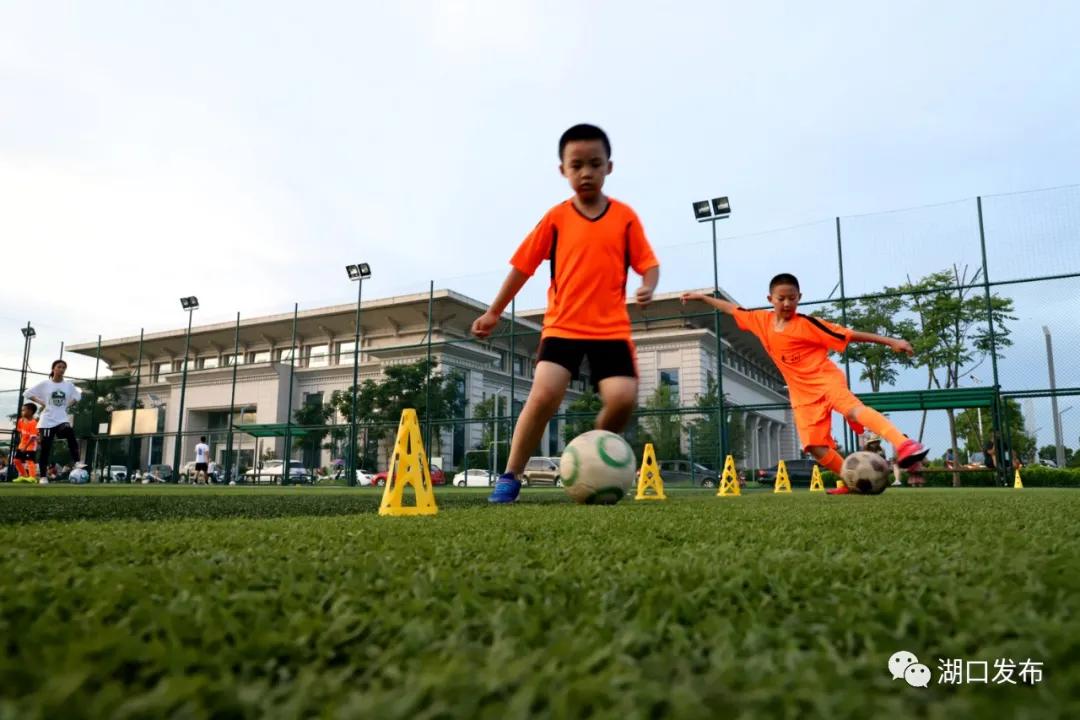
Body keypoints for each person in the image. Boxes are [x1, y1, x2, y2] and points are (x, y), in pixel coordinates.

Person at [472, 124, 660, 503]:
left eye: (595, 163)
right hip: (563, 327)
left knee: (623, 397)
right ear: (563, 170)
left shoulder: (625, 218)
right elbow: (522, 267)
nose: (586, 172)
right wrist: (493, 312)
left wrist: (648, 285)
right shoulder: (556, 218)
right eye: (577, 165)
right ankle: (510, 475)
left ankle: (593, 454)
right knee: (544, 394)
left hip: (610, 331)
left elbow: (649, 264)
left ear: (609, 167)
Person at [682, 274, 929, 494]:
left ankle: (904, 443)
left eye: (792, 298)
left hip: (825, 380)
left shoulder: (808, 324)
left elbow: (849, 334)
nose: (787, 303)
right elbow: (731, 308)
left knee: (852, 409)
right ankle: (851, 481)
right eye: (781, 298)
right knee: (814, 447)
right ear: (770, 299)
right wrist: (703, 298)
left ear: (799, 297)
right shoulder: (760, 320)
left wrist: (892, 341)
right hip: (801, 394)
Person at [26, 360, 82, 472]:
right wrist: (42, 402)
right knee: (46, 448)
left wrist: (68, 405)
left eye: (64, 367)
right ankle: (43, 476)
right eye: (59, 367)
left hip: (61, 420)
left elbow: (78, 396)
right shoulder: (45, 384)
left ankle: (77, 461)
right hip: (47, 421)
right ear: (53, 369)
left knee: (69, 431)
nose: (61, 369)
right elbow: (27, 393)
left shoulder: (68, 385)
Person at [13, 403, 40, 483]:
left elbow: (33, 437)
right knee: (16, 460)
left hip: (31, 445)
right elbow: (20, 432)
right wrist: (21, 444)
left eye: (24, 410)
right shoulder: (20, 421)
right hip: (22, 444)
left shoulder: (33, 423)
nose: (22, 412)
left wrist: (25, 447)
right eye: (22, 410)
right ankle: (23, 475)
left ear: (30, 411)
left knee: (29, 460)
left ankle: (32, 477)